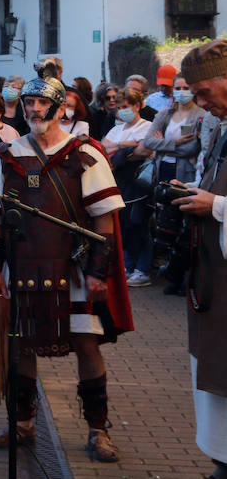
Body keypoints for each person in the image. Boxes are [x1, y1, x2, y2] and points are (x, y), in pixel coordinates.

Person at [0, 72, 134, 462]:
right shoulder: (7, 158)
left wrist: (100, 272)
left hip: (75, 270)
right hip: (23, 267)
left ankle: (98, 430)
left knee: (86, 343)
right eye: (28, 103)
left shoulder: (85, 154)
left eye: (42, 103)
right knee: (21, 346)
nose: (34, 109)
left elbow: (103, 218)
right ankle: (23, 424)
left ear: (60, 107)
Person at [172, 40, 227, 479]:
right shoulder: (221, 127)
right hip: (214, 288)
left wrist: (218, 207)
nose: (201, 104)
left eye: (205, 92)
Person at [141, 74, 207, 294]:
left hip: (185, 173)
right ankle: (172, 273)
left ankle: (185, 277)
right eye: (178, 87)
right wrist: (174, 142)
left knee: (184, 226)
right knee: (165, 223)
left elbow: (191, 149)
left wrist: (163, 144)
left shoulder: (200, 116)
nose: (181, 91)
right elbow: (148, 141)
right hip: (163, 171)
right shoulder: (165, 113)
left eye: (186, 87)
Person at [102, 86, 155, 286]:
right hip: (118, 182)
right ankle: (128, 264)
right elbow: (102, 146)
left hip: (138, 182)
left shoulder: (147, 126)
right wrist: (128, 145)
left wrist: (118, 147)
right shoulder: (116, 128)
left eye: (127, 106)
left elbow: (143, 150)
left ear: (137, 106)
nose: (123, 110)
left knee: (139, 224)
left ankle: (143, 268)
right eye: (120, 106)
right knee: (123, 224)